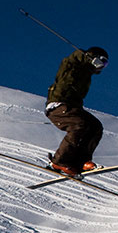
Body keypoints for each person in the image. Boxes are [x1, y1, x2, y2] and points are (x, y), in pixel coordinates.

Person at [44, 47, 109, 175]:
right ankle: (59, 161)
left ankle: (80, 162)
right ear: (93, 58)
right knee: (78, 125)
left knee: (95, 127)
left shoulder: (87, 74)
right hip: (58, 105)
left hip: (73, 108)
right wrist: (85, 56)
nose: (101, 66)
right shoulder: (72, 65)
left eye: (105, 64)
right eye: (101, 62)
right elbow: (74, 58)